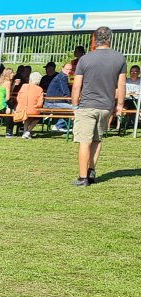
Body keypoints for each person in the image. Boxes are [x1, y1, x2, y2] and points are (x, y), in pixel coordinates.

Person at [71, 26, 126, 186]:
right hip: (106, 106)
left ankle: (82, 178)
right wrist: (120, 105)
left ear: (94, 39)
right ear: (110, 39)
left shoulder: (85, 59)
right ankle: (92, 171)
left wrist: (75, 105)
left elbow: (76, 86)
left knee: (84, 141)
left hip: (87, 104)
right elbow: (121, 85)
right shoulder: (119, 58)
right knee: (97, 139)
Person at [15, 71, 45, 138]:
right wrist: (37, 106)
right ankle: (28, 131)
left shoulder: (24, 86)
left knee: (27, 117)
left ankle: (25, 132)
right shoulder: (40, 89)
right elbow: (40, 103)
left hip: (22, 109)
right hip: (33, 109)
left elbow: (18, 97)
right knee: (38, 117)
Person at [46, 62, 75, 131]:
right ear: (62, 69)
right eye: (67, 69)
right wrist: (71, 101)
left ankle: (60, 125)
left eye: (71, 70)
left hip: (53, 102)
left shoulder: (60, 76)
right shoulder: (62, 77)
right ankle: (59, 126)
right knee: (75, 108)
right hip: (52, 103)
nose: (69, 71)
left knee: (69, 108)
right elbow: (65, 91)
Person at [0, 68, 15, 137]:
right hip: (1, 106)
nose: (13, 74)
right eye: (12, 73)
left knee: (10, 109)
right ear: (8, 74)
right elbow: (8, 98)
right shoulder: (8, 82)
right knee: (12, 113)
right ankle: (9, 133)